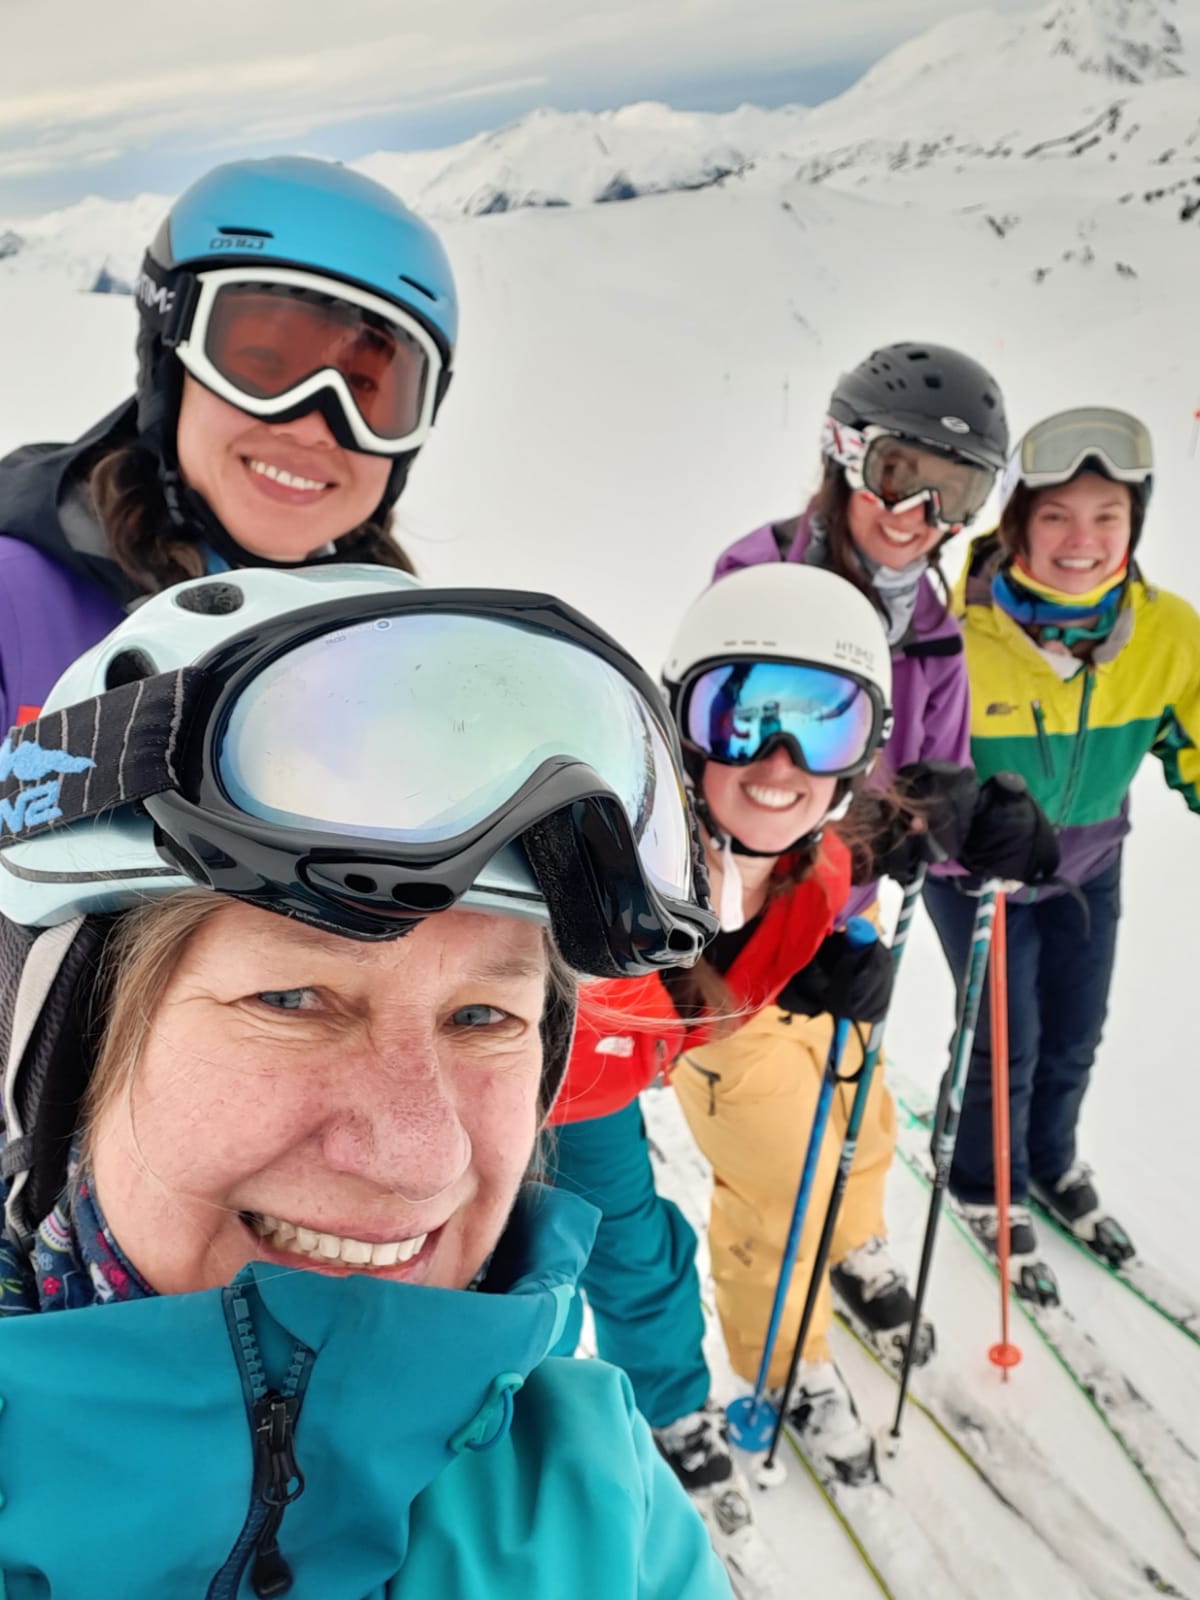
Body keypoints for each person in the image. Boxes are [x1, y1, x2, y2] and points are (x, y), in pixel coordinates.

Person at [0, 564, 731, 1599]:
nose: (419, 1156)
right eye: (294, 1000)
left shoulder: (606, 1511)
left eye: (485, 1017)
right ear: (66, 1052)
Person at [549, 561, 1051, 1514]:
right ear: (676, 723)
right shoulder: (589, 856)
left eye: (825, 724)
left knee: (683, 1219)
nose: (778, 760)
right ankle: (638, 1410)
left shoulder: (812, 867)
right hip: (544, 1089)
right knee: (602, 1244)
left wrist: (953, 820)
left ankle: (690, 1386)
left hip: (619, 1075)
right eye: (737, 716)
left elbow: (864, 839)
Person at [0, 153, 457, 733]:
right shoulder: (14, 605)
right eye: (263, 364)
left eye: (366, 390)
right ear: (169, 362)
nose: (312, 427)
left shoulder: (411, 647)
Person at [923, 406, 1200, 1271]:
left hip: (1090, 867)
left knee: (1077, 1030)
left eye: (1107, 516)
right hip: (978, 878)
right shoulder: (954, 631)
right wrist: (955, 816)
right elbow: (905, 769)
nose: (1082, 539)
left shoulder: (1168, 634)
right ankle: (981, 1182)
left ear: (1134, 526)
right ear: (1017, 524)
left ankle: (1047, 1161)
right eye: (1056, 515)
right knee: (1007, 1041)